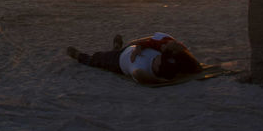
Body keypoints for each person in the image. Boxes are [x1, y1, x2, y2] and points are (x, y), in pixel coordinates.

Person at [66, 32, 202, 86]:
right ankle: (117, 46)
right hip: (131, 48)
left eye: (158, 61)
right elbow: (194, 65)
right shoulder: (166, 58)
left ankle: (78, 55)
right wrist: (136, 43)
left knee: (96, 60)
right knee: (118, 50)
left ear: (156, 69)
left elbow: (140, 76)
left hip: (118, 60)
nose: (158, 57)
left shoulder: (142, 69)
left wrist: (158, 81)